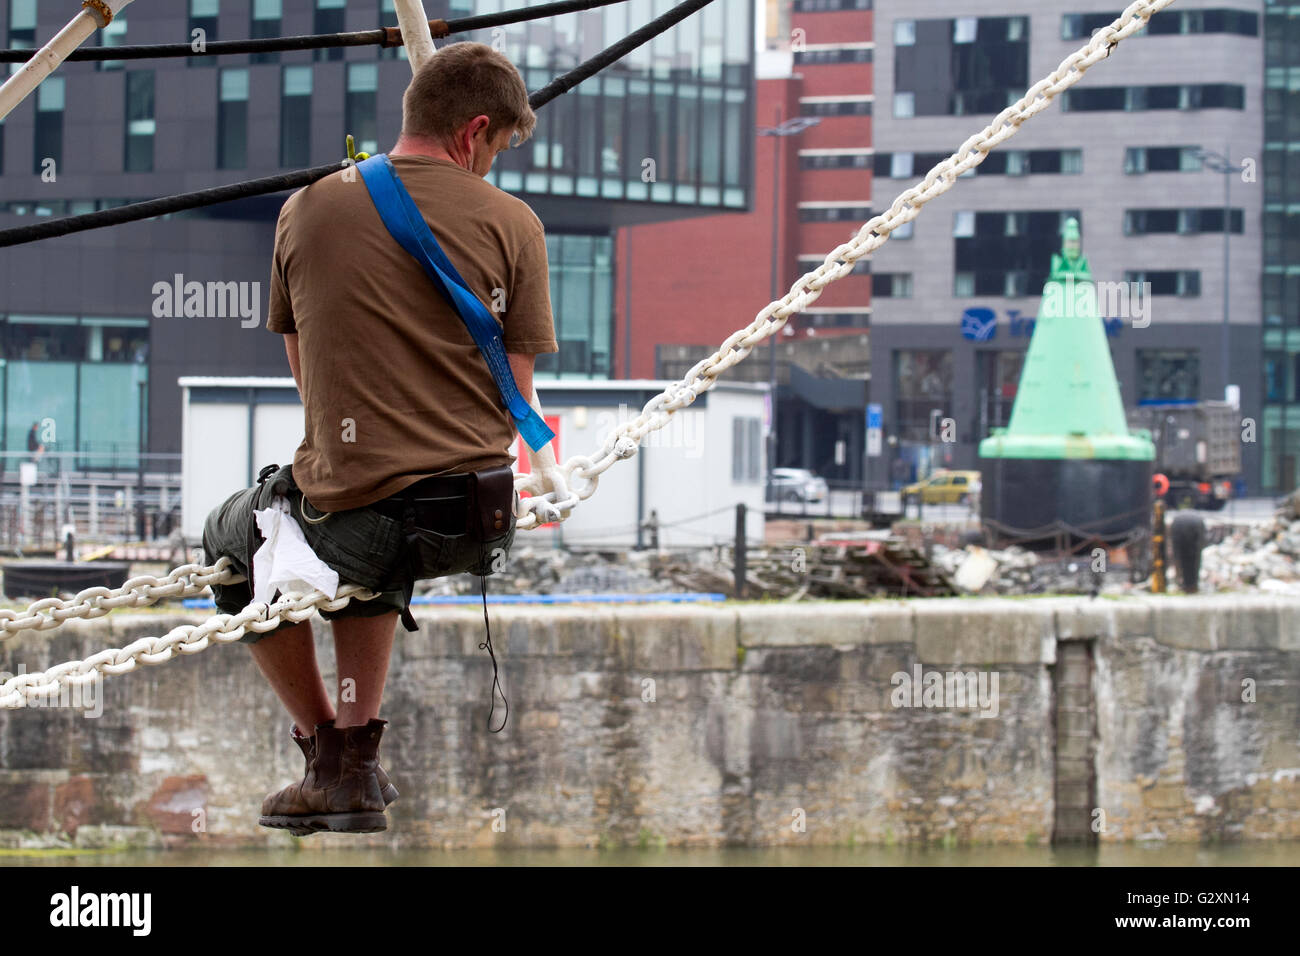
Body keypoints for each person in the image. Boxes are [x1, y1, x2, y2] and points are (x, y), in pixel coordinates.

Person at [202, 41, 558, 835]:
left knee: (234, 542)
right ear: (474, 131)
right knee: (375, 523)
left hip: (365, 510)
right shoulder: (516, 224)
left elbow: (305, 369)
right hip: (472, 520)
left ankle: (328, 753)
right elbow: (519, 393)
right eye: (497, 148)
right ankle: (356, 760)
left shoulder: (307, 208)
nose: (492, 166)